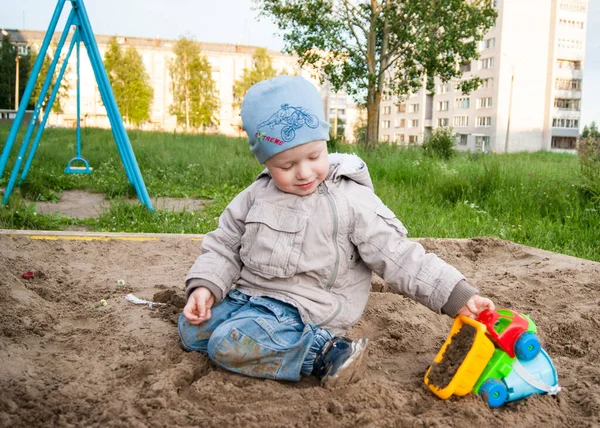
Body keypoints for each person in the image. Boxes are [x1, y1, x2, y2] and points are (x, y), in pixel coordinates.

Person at [178, 75, 495, 387]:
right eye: (285, 166)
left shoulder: (348, 199)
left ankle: (326, 351)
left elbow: (401, 257)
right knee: (192, 329)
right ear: (265, 160)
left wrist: (458, 297)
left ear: (325, 143)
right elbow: (225, 242)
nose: (303, 173)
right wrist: (205, 287)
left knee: (226, 343)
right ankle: (258, 336)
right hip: (250, 298)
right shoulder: (257, 194)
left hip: (305, 311)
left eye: (314, 157)